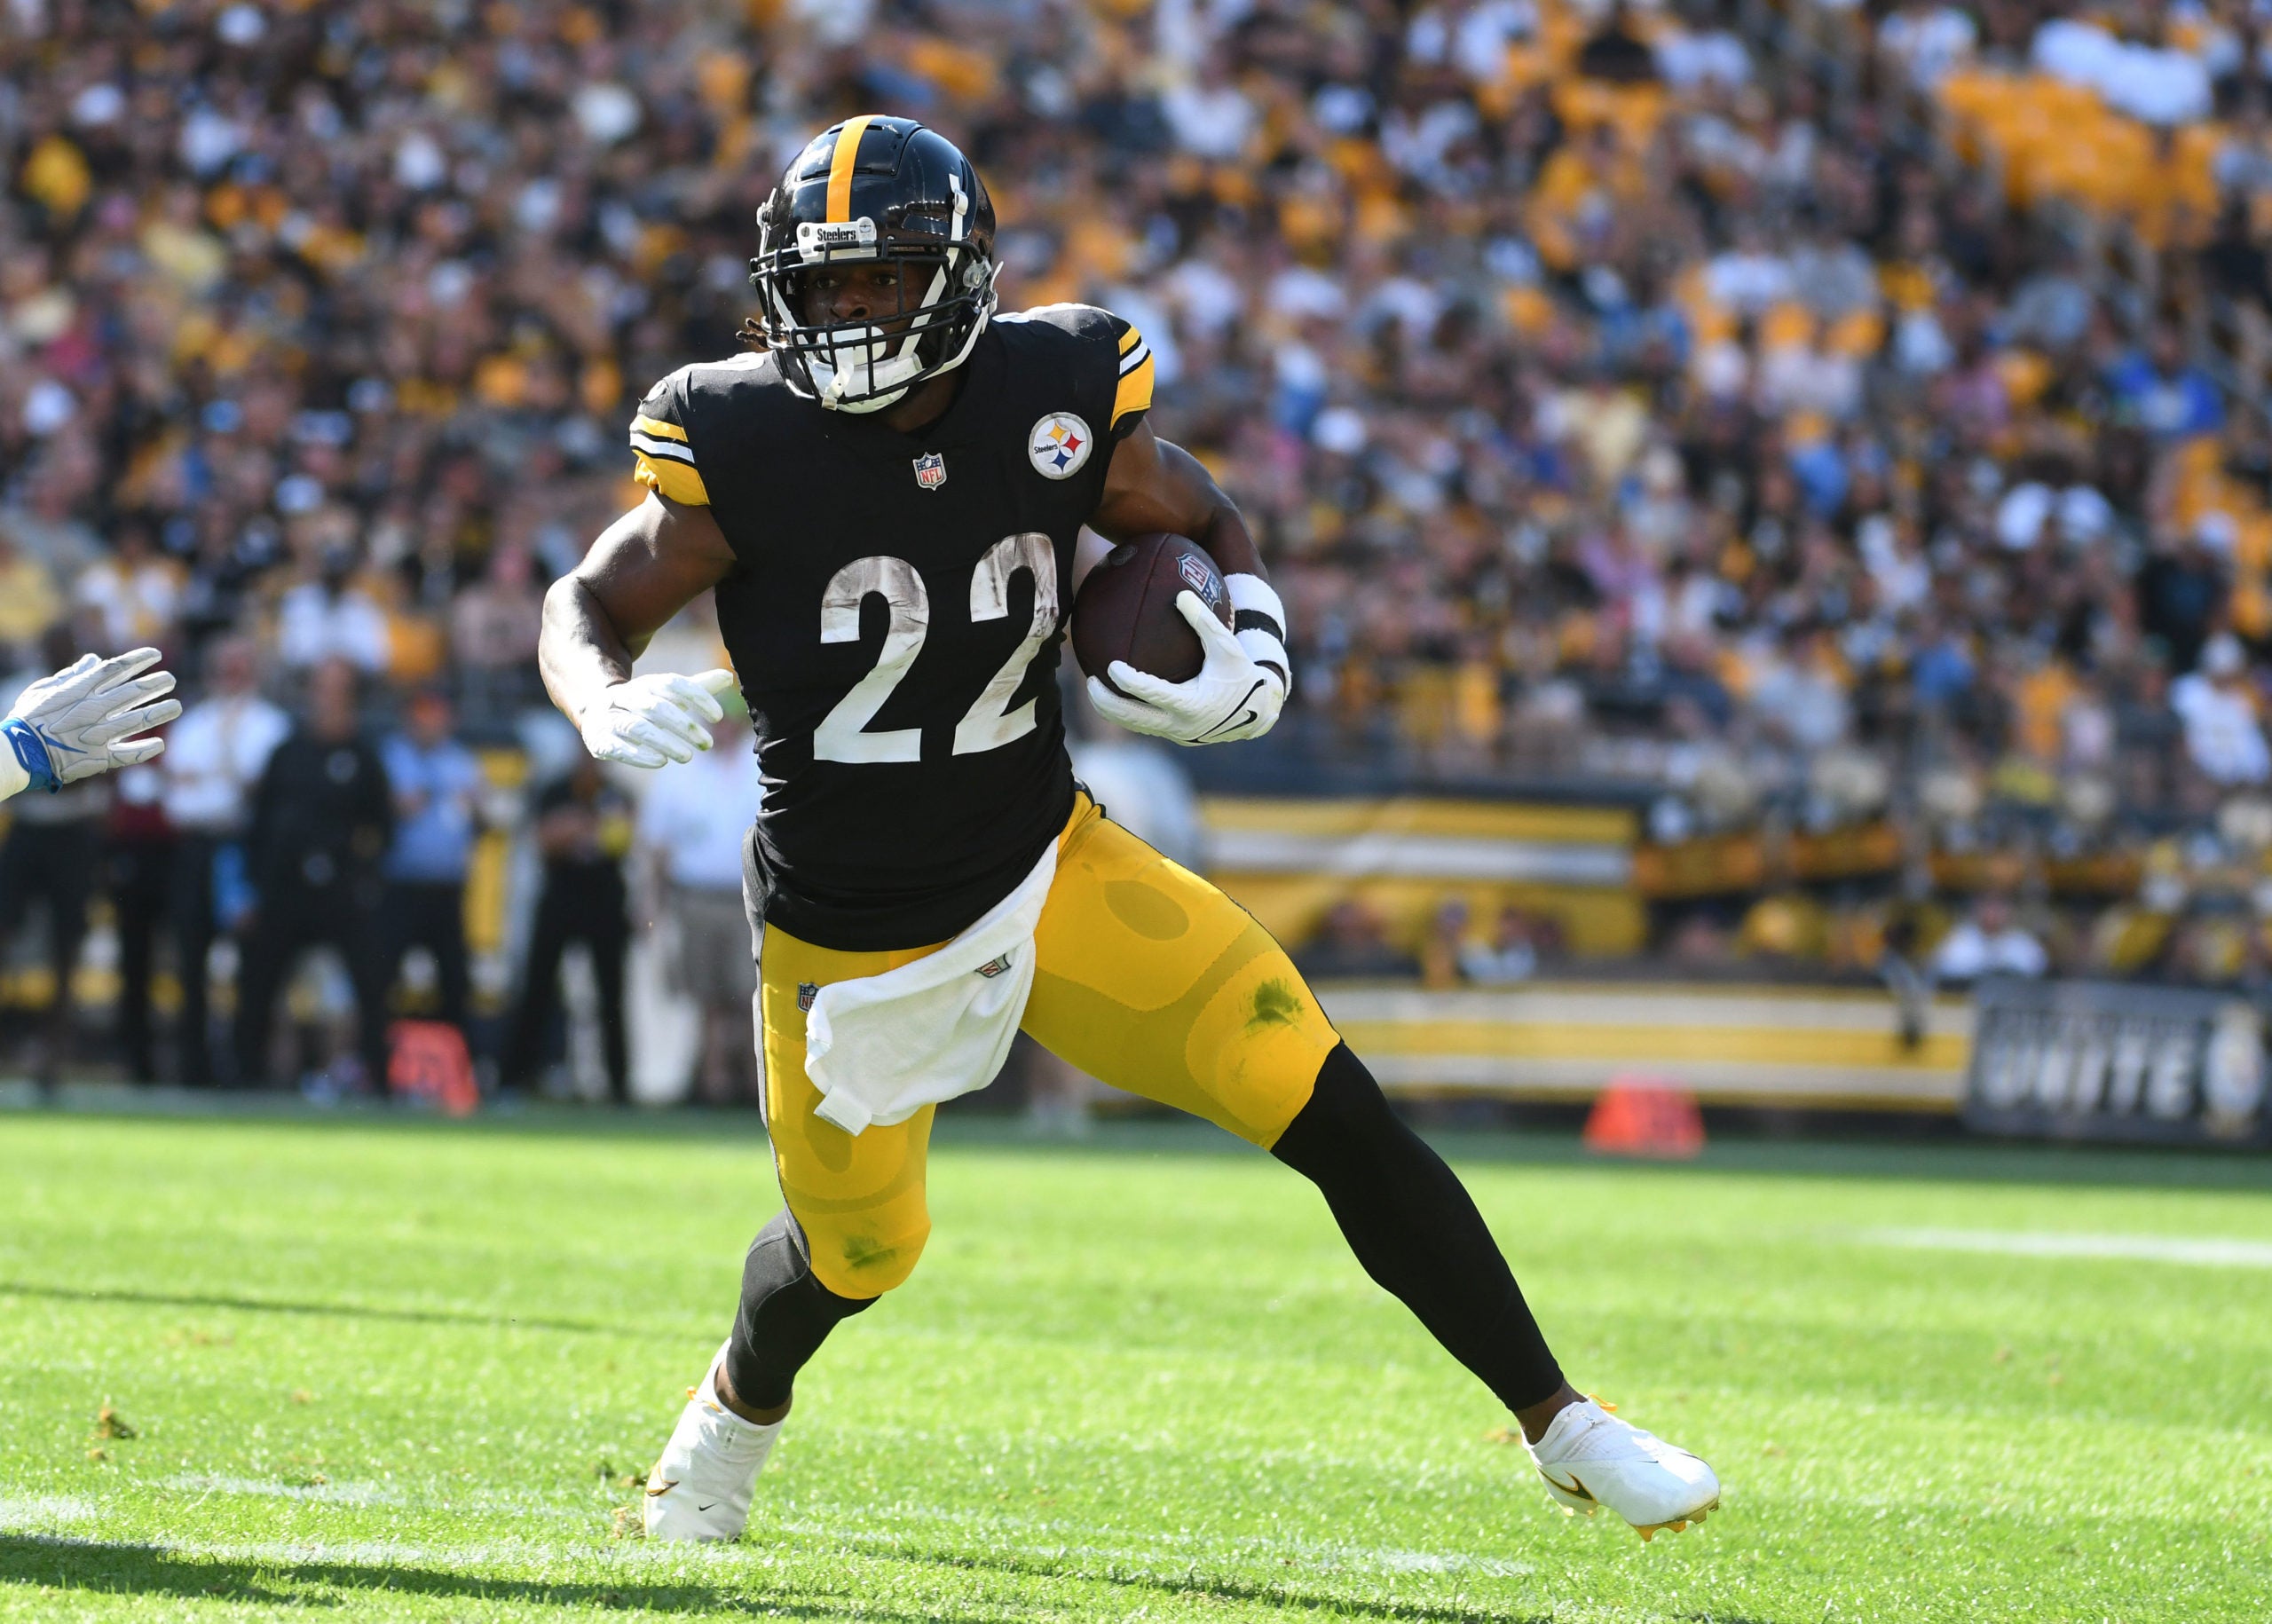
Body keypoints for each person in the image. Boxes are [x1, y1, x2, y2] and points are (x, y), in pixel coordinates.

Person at [538, 118, 1716, 1546]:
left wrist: (1256, 635)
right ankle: (725, 1424)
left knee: (1328, 1098)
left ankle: (1563, 1422)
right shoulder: (741, 432)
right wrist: (597, 698)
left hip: (1048, 862)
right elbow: (588, 604)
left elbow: (1209, 515)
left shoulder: (1055, 385)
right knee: (858, 1254)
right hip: (849, 934)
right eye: (826, 283)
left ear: (963, 278)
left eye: (883, 278)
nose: (849, 315)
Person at [0, 635, 178, 1084]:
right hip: (28, 823)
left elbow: (97, 770)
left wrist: (33, 762)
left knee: (68, 942)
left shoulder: (76, 698)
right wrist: (23, 760)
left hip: (73, 829)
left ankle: (53, 1053)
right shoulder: (18, 692)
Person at [234, 658, 393, 1091]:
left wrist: (366, 881)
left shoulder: (364, 756)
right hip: (285, 889)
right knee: (259, 982)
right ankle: (246, 1076)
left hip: (343, 891)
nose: (326, 699)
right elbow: (260, 824)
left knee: (370, 982)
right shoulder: (286, 753)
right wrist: (252, 888)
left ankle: (378, 1079)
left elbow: (382, 827)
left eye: (336, 689)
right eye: (321, 688)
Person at [161, 636, 290, 1086]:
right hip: (198, 846)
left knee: (252, 959)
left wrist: (215, 780)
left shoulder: (270, 725)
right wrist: (224, 780)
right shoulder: (194, 724)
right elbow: (178, 792)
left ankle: (245, 1063)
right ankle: (193, 1066)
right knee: (191, 957)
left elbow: (259, 789)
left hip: (245, 847)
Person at [635, 710, 763, 1104]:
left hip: (749, 899)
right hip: (695, 899)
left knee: (748, 995)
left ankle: (750, 1085)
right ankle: (714, 1084)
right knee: (706, 997)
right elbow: (657, 847)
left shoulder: (760, 764)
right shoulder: (679, 772)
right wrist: (650, 904)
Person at [503, 756, 634, 1102]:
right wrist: (585, 829)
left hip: (604, 900)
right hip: (561, 896)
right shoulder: (555, 789)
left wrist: (581, 828)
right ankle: (515, 1077)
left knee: (611, 996)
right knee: (538, 989)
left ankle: (618, 1084)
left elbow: (622, 840)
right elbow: (545, 839)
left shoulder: (618, 792)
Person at [378, 688, 486, 1041]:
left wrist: (478, 810)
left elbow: (481, 821)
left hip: (447, 885)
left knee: (454, 977)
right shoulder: (391, 756)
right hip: (400, 884)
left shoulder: (462, 761)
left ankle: (454, 1060)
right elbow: (390, 807)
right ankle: (379, 1063)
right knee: (383, 974)